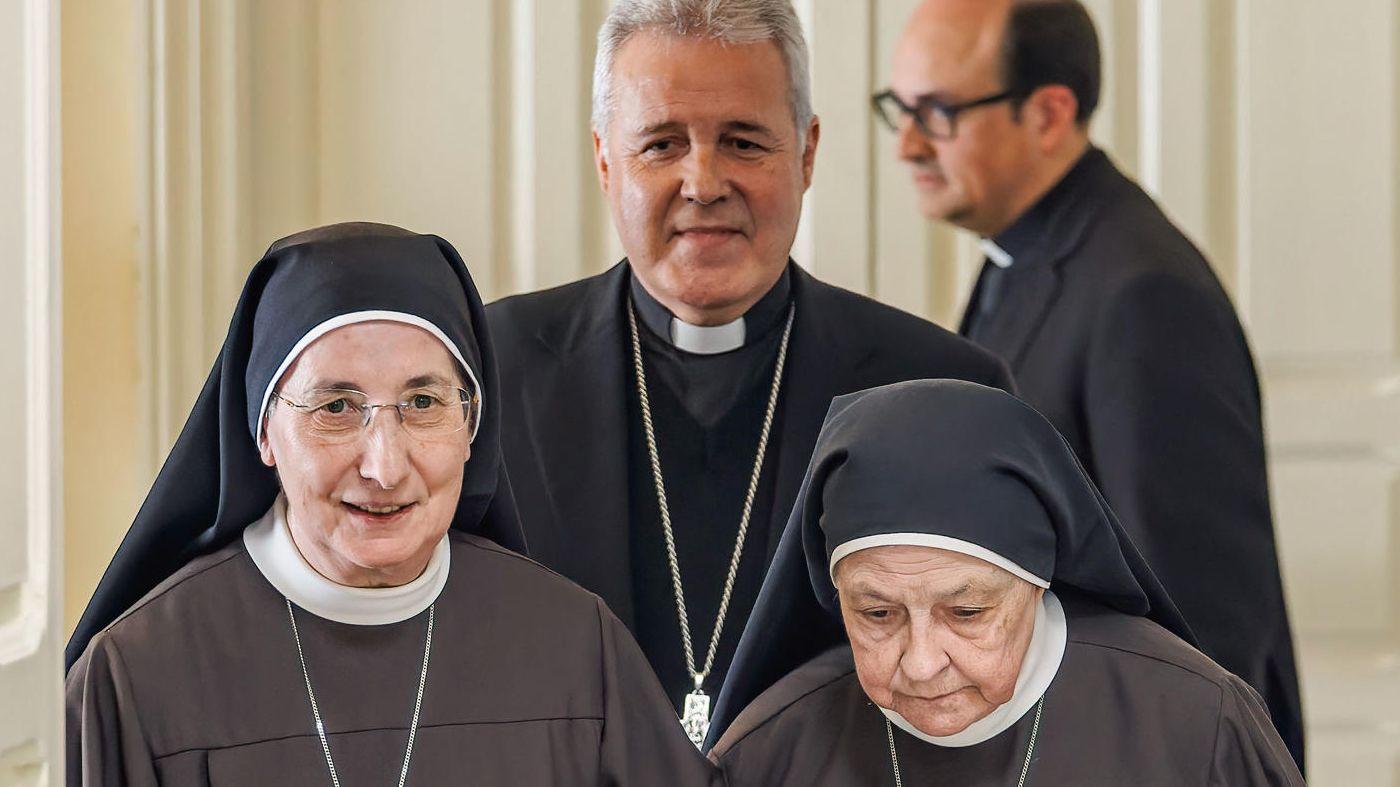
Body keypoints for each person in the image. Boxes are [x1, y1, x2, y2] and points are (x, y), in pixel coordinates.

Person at [487, 0, 1011, 744]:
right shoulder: (488, 372)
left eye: (742, 142)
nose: (703, 182)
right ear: (606, 159)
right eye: (662, 144)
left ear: (806, 153)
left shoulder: (945, 390)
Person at [65, 223, 721, 786]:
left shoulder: (576, 646)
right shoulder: (136, 675)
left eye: (423, 402)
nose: (383, 466)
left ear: (471, 426)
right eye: (336, 407)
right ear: (263, 429)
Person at [873, 0, 1303, 764]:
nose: (907, 144)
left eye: (937, 113)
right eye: (899, 109)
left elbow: (1201, 625)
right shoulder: (1023, 252)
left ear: (1048, 113)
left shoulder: (1143, 295)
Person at [708, 380, 1306, 786]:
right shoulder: (771, 751)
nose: (919, 665)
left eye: (966, 612)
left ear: (1038, 581)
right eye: (877, 614)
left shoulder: (1196, 721)